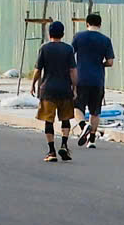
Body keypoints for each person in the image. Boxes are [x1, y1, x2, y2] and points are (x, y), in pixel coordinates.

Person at [34, 19, 79, 163]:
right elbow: (73, 71)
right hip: (65, 89)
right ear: (63, 34)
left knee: (49, 120)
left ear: (49, 33)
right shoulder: (68, 49)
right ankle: (64, 144)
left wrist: (33, 83)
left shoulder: (44, 48)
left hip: (48, 90)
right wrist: (74, 87)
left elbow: (38, 69)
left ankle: (51, 151)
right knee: (65, 119)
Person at [70, 11, 115, 147]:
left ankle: (83, 126)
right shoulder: (105, 40)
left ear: (87, 23)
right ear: (100, 25)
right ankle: (92, 140)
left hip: (81, 78)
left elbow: (70, 55)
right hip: (97, 79)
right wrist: (100, 64)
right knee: (95, 111)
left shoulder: (78, 37)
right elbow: (110, 62)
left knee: (77, 106)